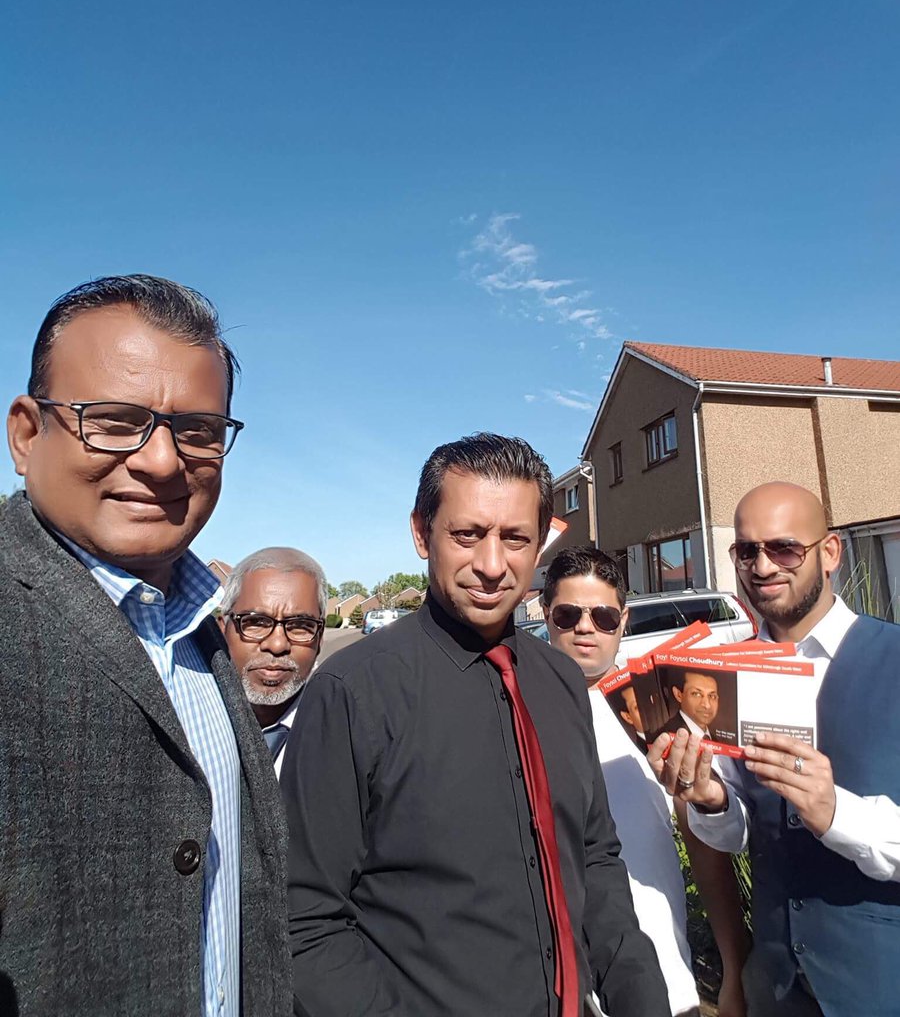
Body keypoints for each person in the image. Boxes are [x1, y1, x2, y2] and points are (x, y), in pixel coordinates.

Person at [282, 433, 669, 1017]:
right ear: (422, 533)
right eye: (467, 535)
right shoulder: (351, 693)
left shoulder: (562, 682)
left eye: (515, 538)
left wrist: (641, 1000)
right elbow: (306, 921)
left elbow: (594, 858)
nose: (492, 566)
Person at [0, 275, 290, 1017]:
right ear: (27, 434)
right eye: (114, 420)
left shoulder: (200, 632)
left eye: (198, 430)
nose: (162, 461)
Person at [650, 481, 900, 1017]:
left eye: (784, 548)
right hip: (775, 987)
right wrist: (711, 801)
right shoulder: (725, 674)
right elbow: (739, 831)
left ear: (829, 552)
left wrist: (837, 813)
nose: (762, 567)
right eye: (746, 551)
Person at [543, 546, 748, 1017]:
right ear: (546, 614)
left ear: (624, 620)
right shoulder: (517, 713)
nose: (585, 628)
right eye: (569, 615)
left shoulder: (655, 713)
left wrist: (734, 966)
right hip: (552, 987)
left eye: (603, 617)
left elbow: (707, 847)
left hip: (660, 979)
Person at [217, 546, 326, 777]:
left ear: (320, 638)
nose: (277, 645)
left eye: (300, 626)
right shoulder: (188, 722)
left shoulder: (345, 731)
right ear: (222, 629)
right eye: (256, 622)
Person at [658, 670, 720, 738]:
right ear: (678, 695)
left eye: (712, 696)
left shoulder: (715, 740)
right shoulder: (662, 736)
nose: (707, 705)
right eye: (696, 694)